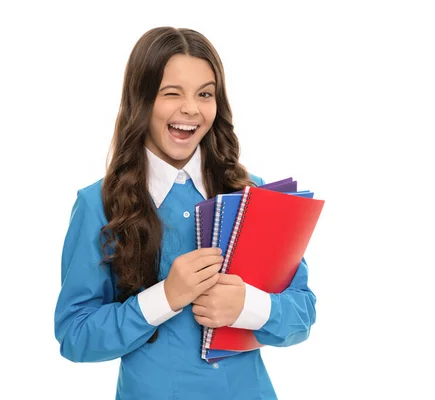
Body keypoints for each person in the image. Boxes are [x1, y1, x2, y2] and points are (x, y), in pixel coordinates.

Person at [54, 26, 316, 399]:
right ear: (141, 100)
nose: (191, 108)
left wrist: (249, 306)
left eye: (205, 94)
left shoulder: (251, 194)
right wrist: (165, 297)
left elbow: (302, 313)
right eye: (170, 93)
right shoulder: (98, 204)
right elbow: (75, 335)